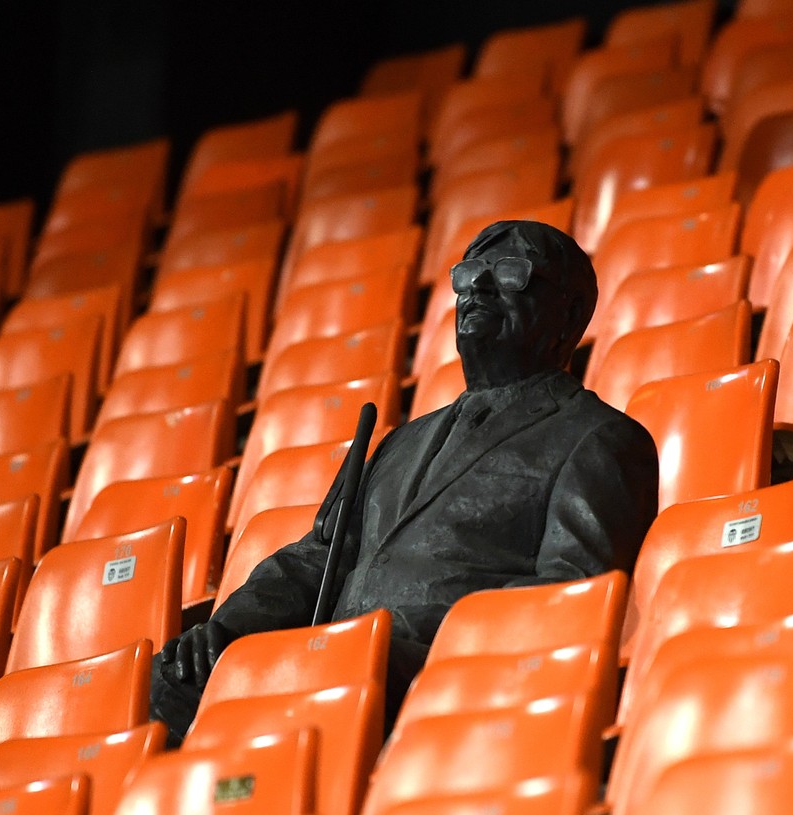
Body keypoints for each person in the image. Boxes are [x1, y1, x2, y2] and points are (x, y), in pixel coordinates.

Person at [149, 219, 660, 745]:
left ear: (571, 314)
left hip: (444, 678)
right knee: (171, 679)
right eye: (469, 274)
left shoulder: (599, 439)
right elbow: (317, 559)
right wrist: (226, 632)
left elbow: (571, 595)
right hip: (335, 663)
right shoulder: (399, 443)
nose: (478, 287)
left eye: (509, 272)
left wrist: (408, 642)